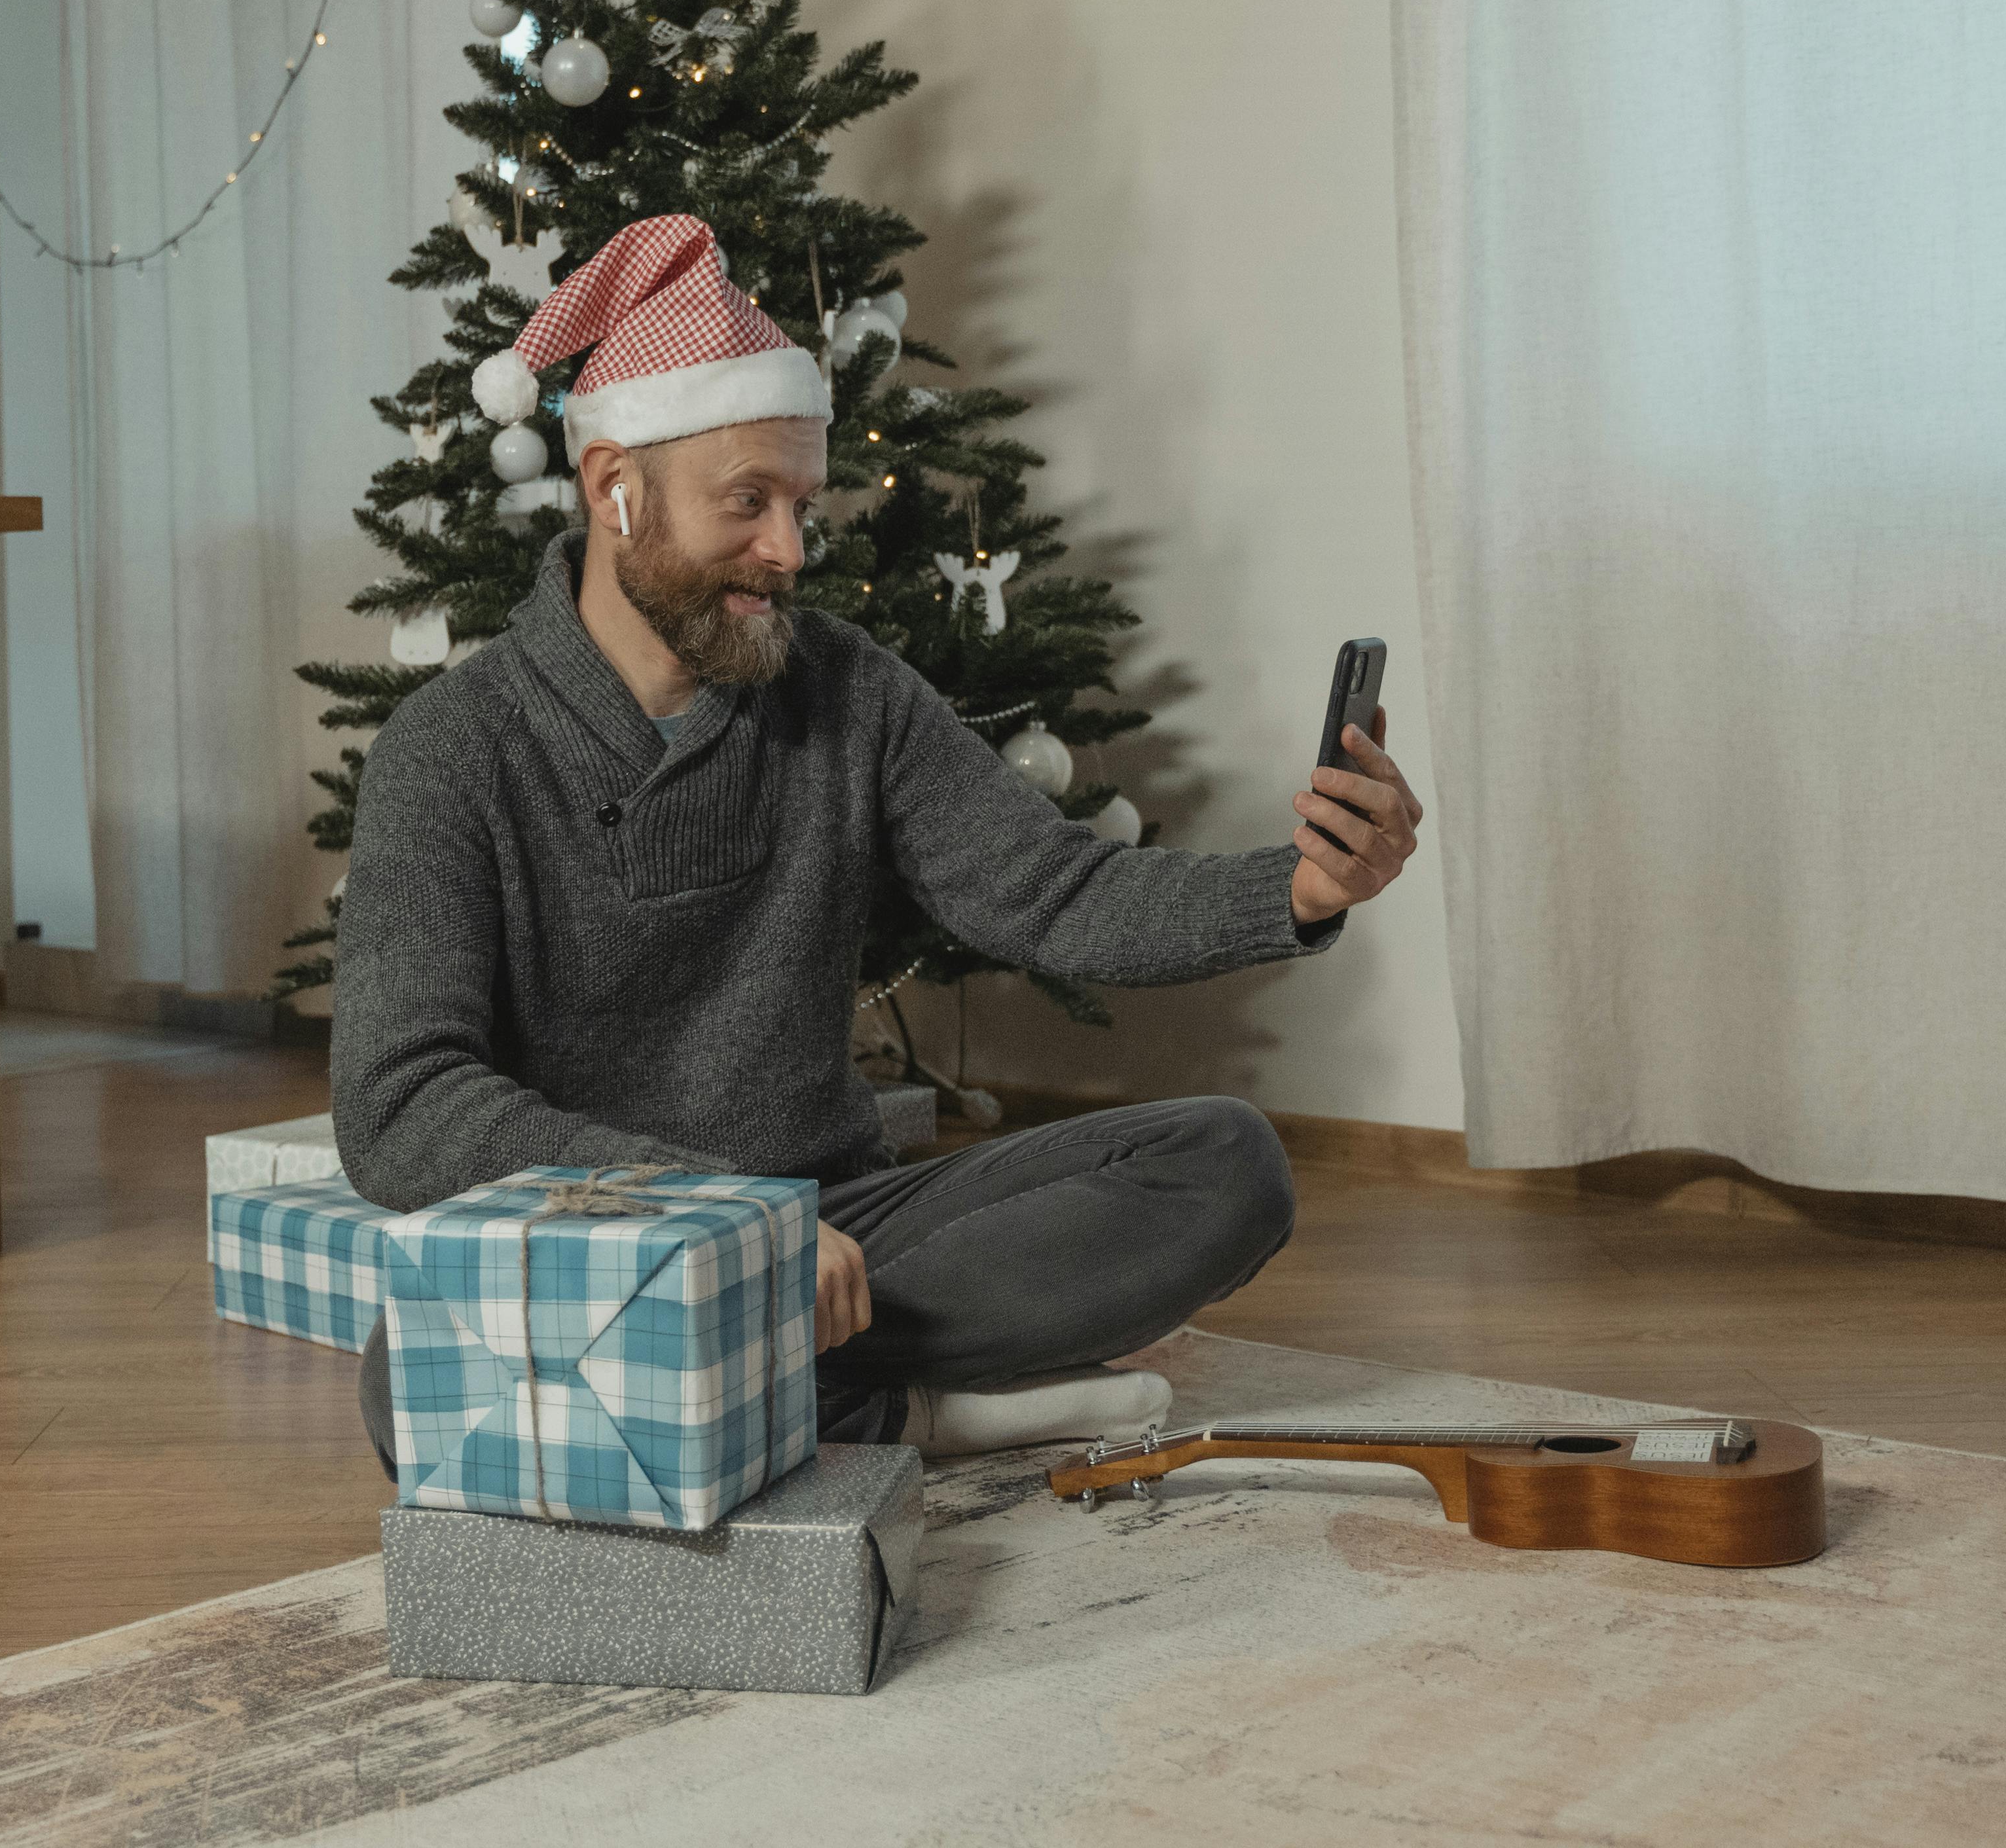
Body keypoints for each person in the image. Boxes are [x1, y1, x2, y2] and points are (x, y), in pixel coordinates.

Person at [331, 215, 1420, 1458]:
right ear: (613, 487)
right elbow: (400, 1108)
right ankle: (911, 1410)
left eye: (801, 504)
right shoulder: (450, 749)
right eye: (749, 502)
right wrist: (721, 1230)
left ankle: (787, 1406)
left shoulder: (846, 690)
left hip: (847, 1217)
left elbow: (1052, 892)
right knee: (401, 1382)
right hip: (616, 1242)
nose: (789, 552)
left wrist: (1301, 889)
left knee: (1224, 1165)